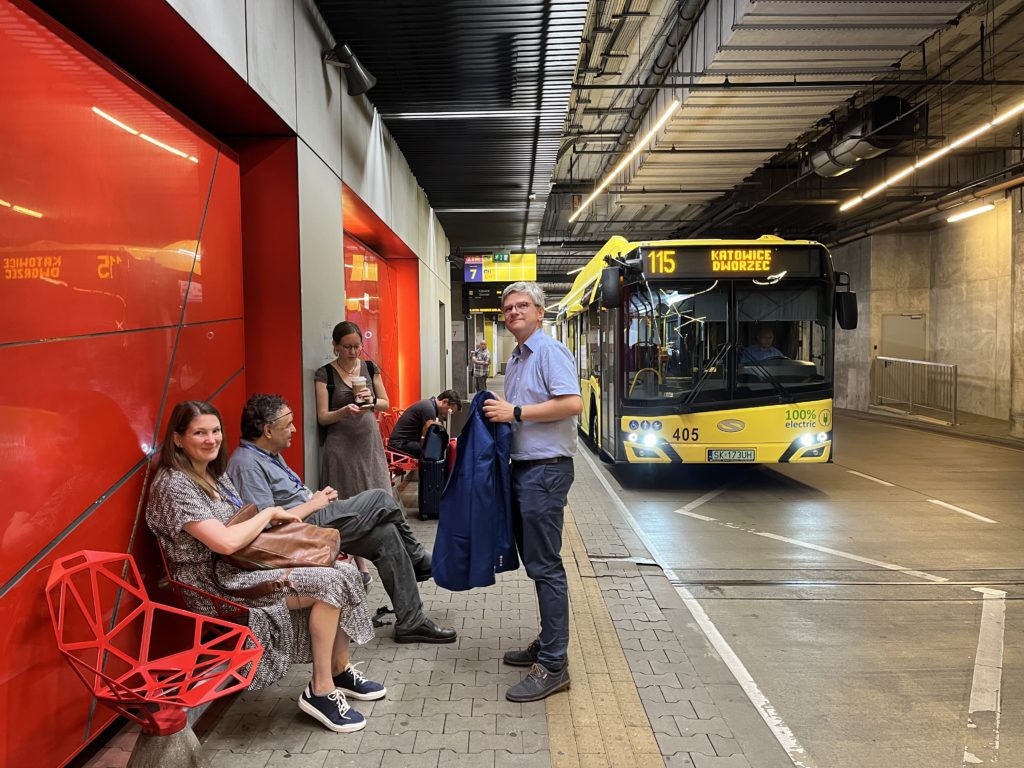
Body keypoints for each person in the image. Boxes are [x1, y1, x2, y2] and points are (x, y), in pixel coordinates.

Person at [146, 401, 385, 735]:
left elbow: (239, 536)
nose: (211, 439)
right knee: (329, 584)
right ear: (178, 439)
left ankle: (338, 669)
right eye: (199, 433)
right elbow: (225, 543)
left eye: (215, 431)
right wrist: (269, 513)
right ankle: (320, 691)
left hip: (240, 567)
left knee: (344, 571)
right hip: (214, 585)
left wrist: (273, 520)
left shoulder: (213, 474)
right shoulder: (174, 486)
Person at [226, 394, 458, 644]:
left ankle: (411, 622)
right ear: (268, 430)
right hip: (300, 533)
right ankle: (419, 559)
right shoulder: (246, 465)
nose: (294, 430)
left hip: (313, 519)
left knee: (386, 536)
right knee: (381, 499)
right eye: (288, 425)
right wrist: (313, 504)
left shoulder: (268, 455)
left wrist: (315, 498)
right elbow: (265, 523)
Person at [482, 282, 582, 702]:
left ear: (540, 312)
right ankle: (547, 643)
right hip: (525, 470)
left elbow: (572, 403)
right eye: (508, 308)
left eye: (523, 306)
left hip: (546, 471)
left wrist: (515, 411)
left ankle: (554, 665)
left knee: (546, 566)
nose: (514, 312)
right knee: (537, 565)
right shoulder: (518, 357)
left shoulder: (548, 352)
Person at [314, 321, 391, 586]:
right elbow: (322, 417)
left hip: (368, 444)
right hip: (341, 447)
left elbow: (385, 403)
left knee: (376, 493)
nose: (353, 352)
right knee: (347, 502)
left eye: (357, 346)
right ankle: (360, 566)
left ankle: (380, 553)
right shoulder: (325, 374)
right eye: (347, 347)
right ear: (335, 346)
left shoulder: (369, 368)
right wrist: (344, 410)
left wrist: (371, 401)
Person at [387, 389, 462, 457]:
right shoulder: (429, 410)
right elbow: (427, 439)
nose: (448, 414)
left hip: (402, 443)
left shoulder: (429, 405)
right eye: (450, 411)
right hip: (399, 445)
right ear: (445, 401)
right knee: (432, 451)